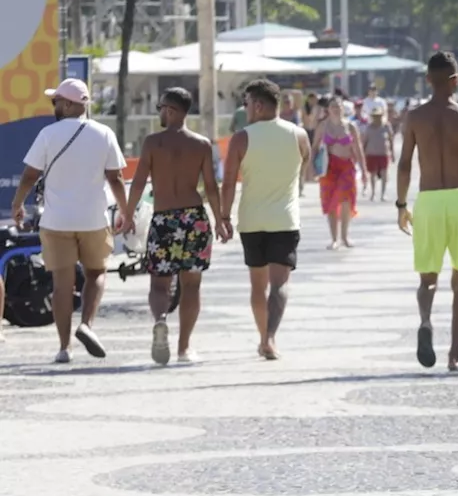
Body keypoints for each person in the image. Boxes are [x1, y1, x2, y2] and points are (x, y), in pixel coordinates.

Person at [10, 79, 128, 364]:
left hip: (56, 221)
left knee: (62, 285)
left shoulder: (49, 134)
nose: (54, 107)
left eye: (57, 101)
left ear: (69, 104)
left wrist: (18, 204)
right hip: (94, 219)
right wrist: (125, 210)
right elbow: (115, 178)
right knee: (97, 273)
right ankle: (86, 324)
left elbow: (29, 175)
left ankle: (64, 348)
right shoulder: (104, 133)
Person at [397, 51, 458, 372]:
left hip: (428, 200)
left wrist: (401, 205)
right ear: (456, 80)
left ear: (427, 79)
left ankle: (425, 320)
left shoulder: (414, 117)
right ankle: (454, 355)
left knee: (427, 279)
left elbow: (404, 164)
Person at [120, 88, 226, 365]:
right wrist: (221, 220)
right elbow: (211, 188)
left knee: (159, 285)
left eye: (160, 108)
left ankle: (161, 320)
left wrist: (128, 216)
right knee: (191, 286)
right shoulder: (202, 144)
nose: (159, 113)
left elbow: (140, 182)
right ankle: (184, 348)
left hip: (164, 219)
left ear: (170, 110)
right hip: (194, 219)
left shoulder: (153, 143)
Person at [219, 79, 310, 361]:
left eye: (246, 104)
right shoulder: (299, 135)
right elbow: (303, 170)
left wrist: (224, 216)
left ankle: (263, 338)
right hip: (285, 219)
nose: (245, 109)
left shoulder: (241, 138)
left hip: (252, 220)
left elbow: (229, 183)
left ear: (258, 105)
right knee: (280, 283)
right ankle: (270, 338)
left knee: (258, 286)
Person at [313, 96, 367, 249]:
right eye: (333, 107)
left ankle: (345, 236)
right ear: (328, 110)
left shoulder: (350, 127)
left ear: (343, 109)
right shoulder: (323, 126)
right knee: (330, 203)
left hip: (346, 167)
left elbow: (358, 150)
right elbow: (315, 147)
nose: (336, 109)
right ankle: (334, 239)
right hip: (329, 168)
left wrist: (364, 171)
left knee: (345, 201)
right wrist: (312, 168)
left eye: (339, 106)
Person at [362, 108, 395, 202]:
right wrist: (362, 154)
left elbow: (391, 140)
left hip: (383, 154)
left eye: (379, 116)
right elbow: (365, 141)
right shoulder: (369, 127)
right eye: (375, 116)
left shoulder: (386, 126)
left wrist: (392, 153)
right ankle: (373, 193)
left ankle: (383, 194)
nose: (377, 118)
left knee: (384, 174)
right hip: (371, 154)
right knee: (372, 174)